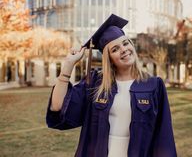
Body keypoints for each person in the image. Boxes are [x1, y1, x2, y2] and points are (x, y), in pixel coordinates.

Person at [46, 14, 177, 157]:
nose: (124, 50)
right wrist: (68, 65)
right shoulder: (95, 83)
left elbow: (164, 136)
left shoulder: (154, 85)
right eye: (115, 49)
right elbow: (58, 107)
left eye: (126, 43)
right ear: (109, 59)